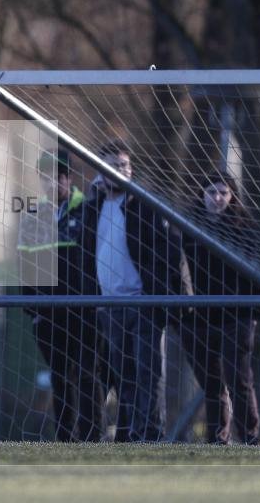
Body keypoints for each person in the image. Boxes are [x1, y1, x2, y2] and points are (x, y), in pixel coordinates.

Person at [76, 139, 182, 442]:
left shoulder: (145, 206)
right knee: (122, 374)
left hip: (142, 302)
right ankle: (127, 433)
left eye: (124, 165)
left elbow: (166, 253)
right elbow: (85, 255)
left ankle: (149, 433)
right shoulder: (92, 207)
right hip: (109, 305)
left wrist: (158, 294)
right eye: (112, 165)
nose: (120, 171)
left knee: (149, 372)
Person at [18, 149, 102, 442]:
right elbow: (24, 266)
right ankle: (65, 436)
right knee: (59, 375)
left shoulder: (90, 211)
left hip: (85, 310)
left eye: (58, 178)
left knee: (88, 375)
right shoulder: (32, 216)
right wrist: (35, 309)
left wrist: (94, 303)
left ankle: (93, 434)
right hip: (49, 313)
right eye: (46, 179)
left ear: (69, 179)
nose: (52, 185)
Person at [181, 171, 260, 445]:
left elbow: (259, 271)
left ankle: (249, 437)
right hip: (199, 317)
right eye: (212, 191)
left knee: (238, 379)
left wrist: (253, 314)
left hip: (236, 316)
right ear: (201, 194)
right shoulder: (188, 226)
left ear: (233, 195)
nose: (217, 198)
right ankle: (217, 439)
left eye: (224, 192)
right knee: (211, 384)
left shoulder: (245, 229)